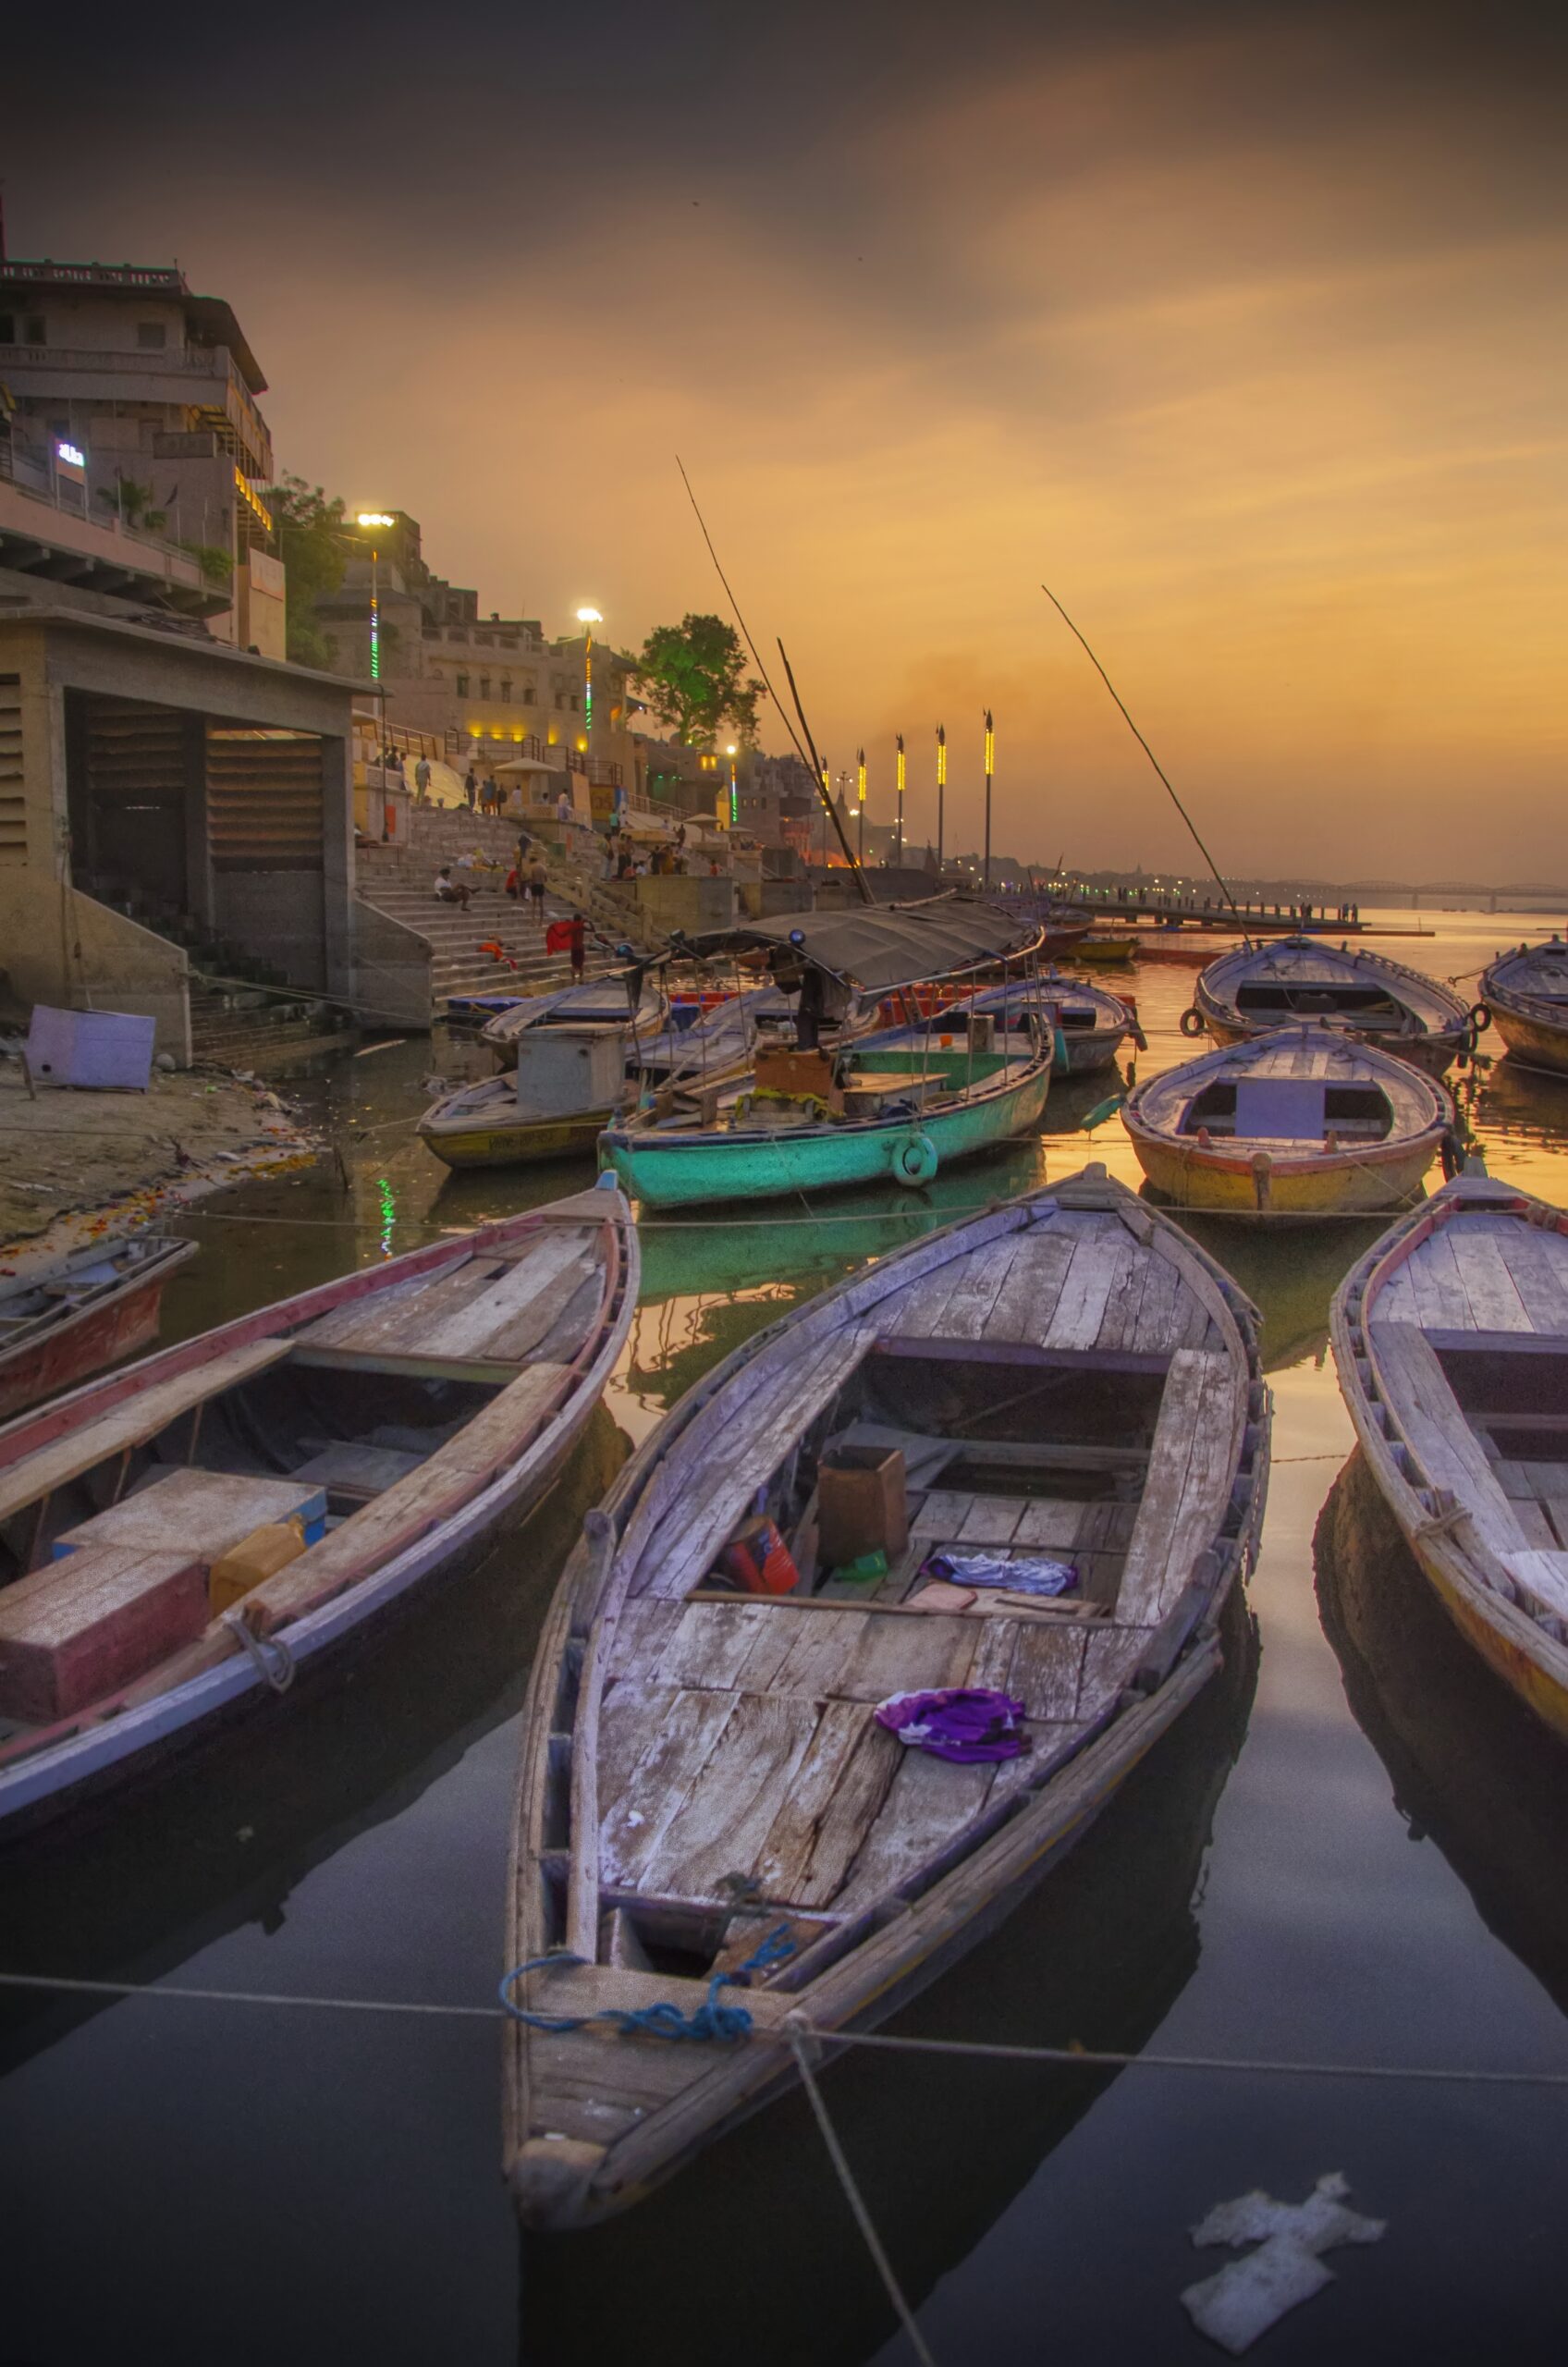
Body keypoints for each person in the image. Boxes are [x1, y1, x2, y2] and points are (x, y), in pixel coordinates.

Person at [527, 854, 548, 923]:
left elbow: (530, 877)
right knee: (541, 904)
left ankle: (533, 921)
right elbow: (546, 879)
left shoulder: (532, 867)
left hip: (535, 885)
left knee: (533, 904)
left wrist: (531, 885)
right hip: (541, 885)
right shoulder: (543, 867)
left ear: (531, 861)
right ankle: (541, 922)